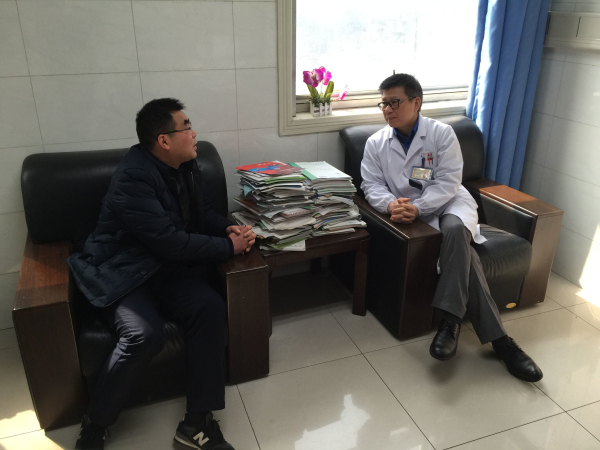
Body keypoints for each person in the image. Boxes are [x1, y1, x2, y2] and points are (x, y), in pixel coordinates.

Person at [68, 98, 255, 450]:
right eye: (187, 127)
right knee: (144, 334)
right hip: (124, 270)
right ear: (164, 140)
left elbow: (203, 214)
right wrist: (226, 248)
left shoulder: (186, 164)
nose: (194, 133)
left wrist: (228, 229)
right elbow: (168, 241)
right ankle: (95, 422)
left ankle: (196, 423)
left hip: (164, 267)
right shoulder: (133, 178)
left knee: (209, 307)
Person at [360, 74, 543, 382]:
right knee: (465, 253)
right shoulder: (376, 143)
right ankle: (502, 342)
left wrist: (418, 207)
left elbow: (448, 182)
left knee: (456, 230)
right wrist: (391, 205)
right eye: (384, 104)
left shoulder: (441, 134)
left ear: (416, 102)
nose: (387, 110)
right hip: (406, 212)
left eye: (394, 102)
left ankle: (450, 321)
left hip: (448, 204)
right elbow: (371, 185)